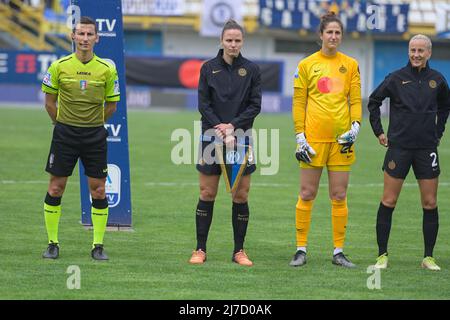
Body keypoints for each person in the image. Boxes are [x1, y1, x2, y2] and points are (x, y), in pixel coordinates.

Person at [368, 34, 450, 271]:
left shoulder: (438, 80)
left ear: (429, 53)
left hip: (426, 149)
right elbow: (374, 101)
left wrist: (438, 131)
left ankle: (428, 258)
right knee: (389, 200)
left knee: (430, 202)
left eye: (420, 51)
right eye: (412, 50)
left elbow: (445, 106)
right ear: (408, 52)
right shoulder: (396, 78)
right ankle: (382, 255)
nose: (416, 54)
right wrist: (379, 131)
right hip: (399, 148)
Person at [41, 16, 120, 260]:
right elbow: (49, 102)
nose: (85, 39)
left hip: (94, 135)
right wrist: (60, 123)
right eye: (80, 34)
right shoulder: (59, 66)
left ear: (97, 38)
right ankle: (52, 243)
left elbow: (112, 105)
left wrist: (93, 123)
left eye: (89, 34)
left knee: (98, 191)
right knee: (56, 187)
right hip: (65, 133)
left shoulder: (107, 69)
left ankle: (98, 246)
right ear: (73, 37)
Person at [289, 12, 362, 268]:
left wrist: (356, 126)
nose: (333, 36)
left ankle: (338, 252)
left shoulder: (351, 65)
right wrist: (300, 135)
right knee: (307, 193)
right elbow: (299, 102)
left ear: (341, 36)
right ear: (320, 35)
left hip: (341, 141)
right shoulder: (306, 65)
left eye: (337, 33)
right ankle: (300, 250)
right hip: (313, 140)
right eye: (329, 32)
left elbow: (354, 99)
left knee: (339, 195)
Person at [188, 19, 261, 266]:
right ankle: (200, 249)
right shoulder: (208, 68)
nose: (232, 44)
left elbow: (255, 105)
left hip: (241, 138)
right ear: (221, 41)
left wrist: (233, 126)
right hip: (212, 137)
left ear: (242, 42)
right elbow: (203, 104)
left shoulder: (251, 70)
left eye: (237, 40)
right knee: (207, 192)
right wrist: (221, 127)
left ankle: (239, 251)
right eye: (228, 40)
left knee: (240, 195)